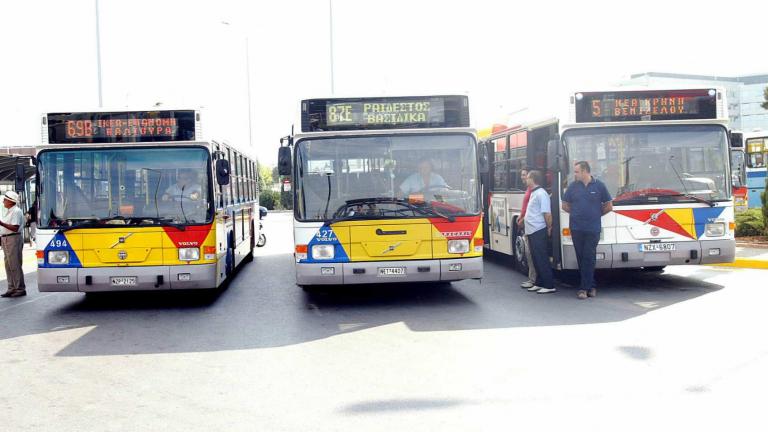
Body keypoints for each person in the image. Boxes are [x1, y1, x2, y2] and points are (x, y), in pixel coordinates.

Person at [562, 161, 613, 300]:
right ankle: (591, 286)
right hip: (576, 227)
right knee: (581, 257)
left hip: (593, 228)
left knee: (588, 256)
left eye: (577, 171)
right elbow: (565, 205)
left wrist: (596, 214)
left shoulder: (599, 185)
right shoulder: (573, 187)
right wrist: (577, 213)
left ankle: (583, 289)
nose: (575, 174)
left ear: (585, 171)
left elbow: (609, 206)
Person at [523, 170, 555, 294]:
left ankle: (549, 285)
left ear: (533, 179)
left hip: (538, 230)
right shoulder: (533, 193)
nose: (525, 179)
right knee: (535, 258)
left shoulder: (541, 194)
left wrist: (549, 227)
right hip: (532, 230)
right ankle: (539, 282)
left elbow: (547, 213)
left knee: (542, 258)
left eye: (528, 177)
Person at [1, 191, 26, 297]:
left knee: (15, 264)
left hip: (13, 238)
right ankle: (11, 288)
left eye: (5, 200)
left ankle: (20, 288)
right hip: (7, 239)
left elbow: (15, 227)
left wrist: (1, 223)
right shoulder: (9, 211)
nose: (3, 201)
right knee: (8, 265)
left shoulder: (16, 211)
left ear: (11, 201)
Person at [517, 168, 538, 289]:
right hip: (526, 223)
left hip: (530, 224)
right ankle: (532, 279)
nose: (523, 177)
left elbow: (531, 210)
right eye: (522, 175)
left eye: (525, 175)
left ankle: (533, 279)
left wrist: (522, 219)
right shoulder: (529, 190)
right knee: (529, 253)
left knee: (530, 253)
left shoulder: (534, 192)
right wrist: (521, 217)